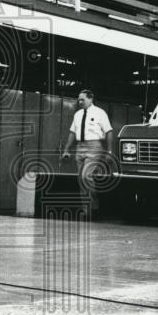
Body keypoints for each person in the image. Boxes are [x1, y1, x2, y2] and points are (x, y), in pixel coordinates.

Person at [61, 89, 114, 219]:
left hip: (94, 146)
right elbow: (72, 133)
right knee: (81, 179)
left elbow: (109, 131)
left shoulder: (100, 113)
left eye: (82, 99)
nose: (80, 102)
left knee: (86, 176)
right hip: (80, 147)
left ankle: (94, 205)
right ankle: (87, 212)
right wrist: (67, 149)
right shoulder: (78, 114)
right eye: (79, 99)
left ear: (91, 99)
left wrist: (110, 151)